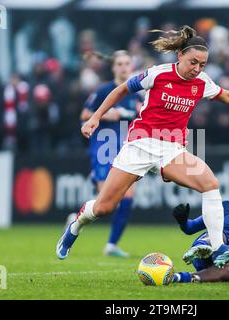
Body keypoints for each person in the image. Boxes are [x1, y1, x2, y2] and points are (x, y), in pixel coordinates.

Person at [56, 25, 229, 268]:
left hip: (171, 150)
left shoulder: (201, 82)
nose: (197, 69)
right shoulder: (158, 73)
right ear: (180, 56)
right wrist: (96, 117)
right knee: (104, 207)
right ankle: (75, 226)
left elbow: (226, 95)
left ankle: (218, 248)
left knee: (210, 184)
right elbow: (122, 89)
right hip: (140, 145)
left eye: (202, 65)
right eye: (193, 62)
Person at [79, 50, 143, 257]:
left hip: (126, 151)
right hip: (103, 149)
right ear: (113, 67)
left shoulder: (139, 93)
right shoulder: (104, 90)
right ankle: (76, 217)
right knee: (105, 204)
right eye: (120, 64)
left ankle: (111, 245)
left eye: (127, 63)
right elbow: (84, 115)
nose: (124, 67)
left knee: (127, 198)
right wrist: (108, 114)